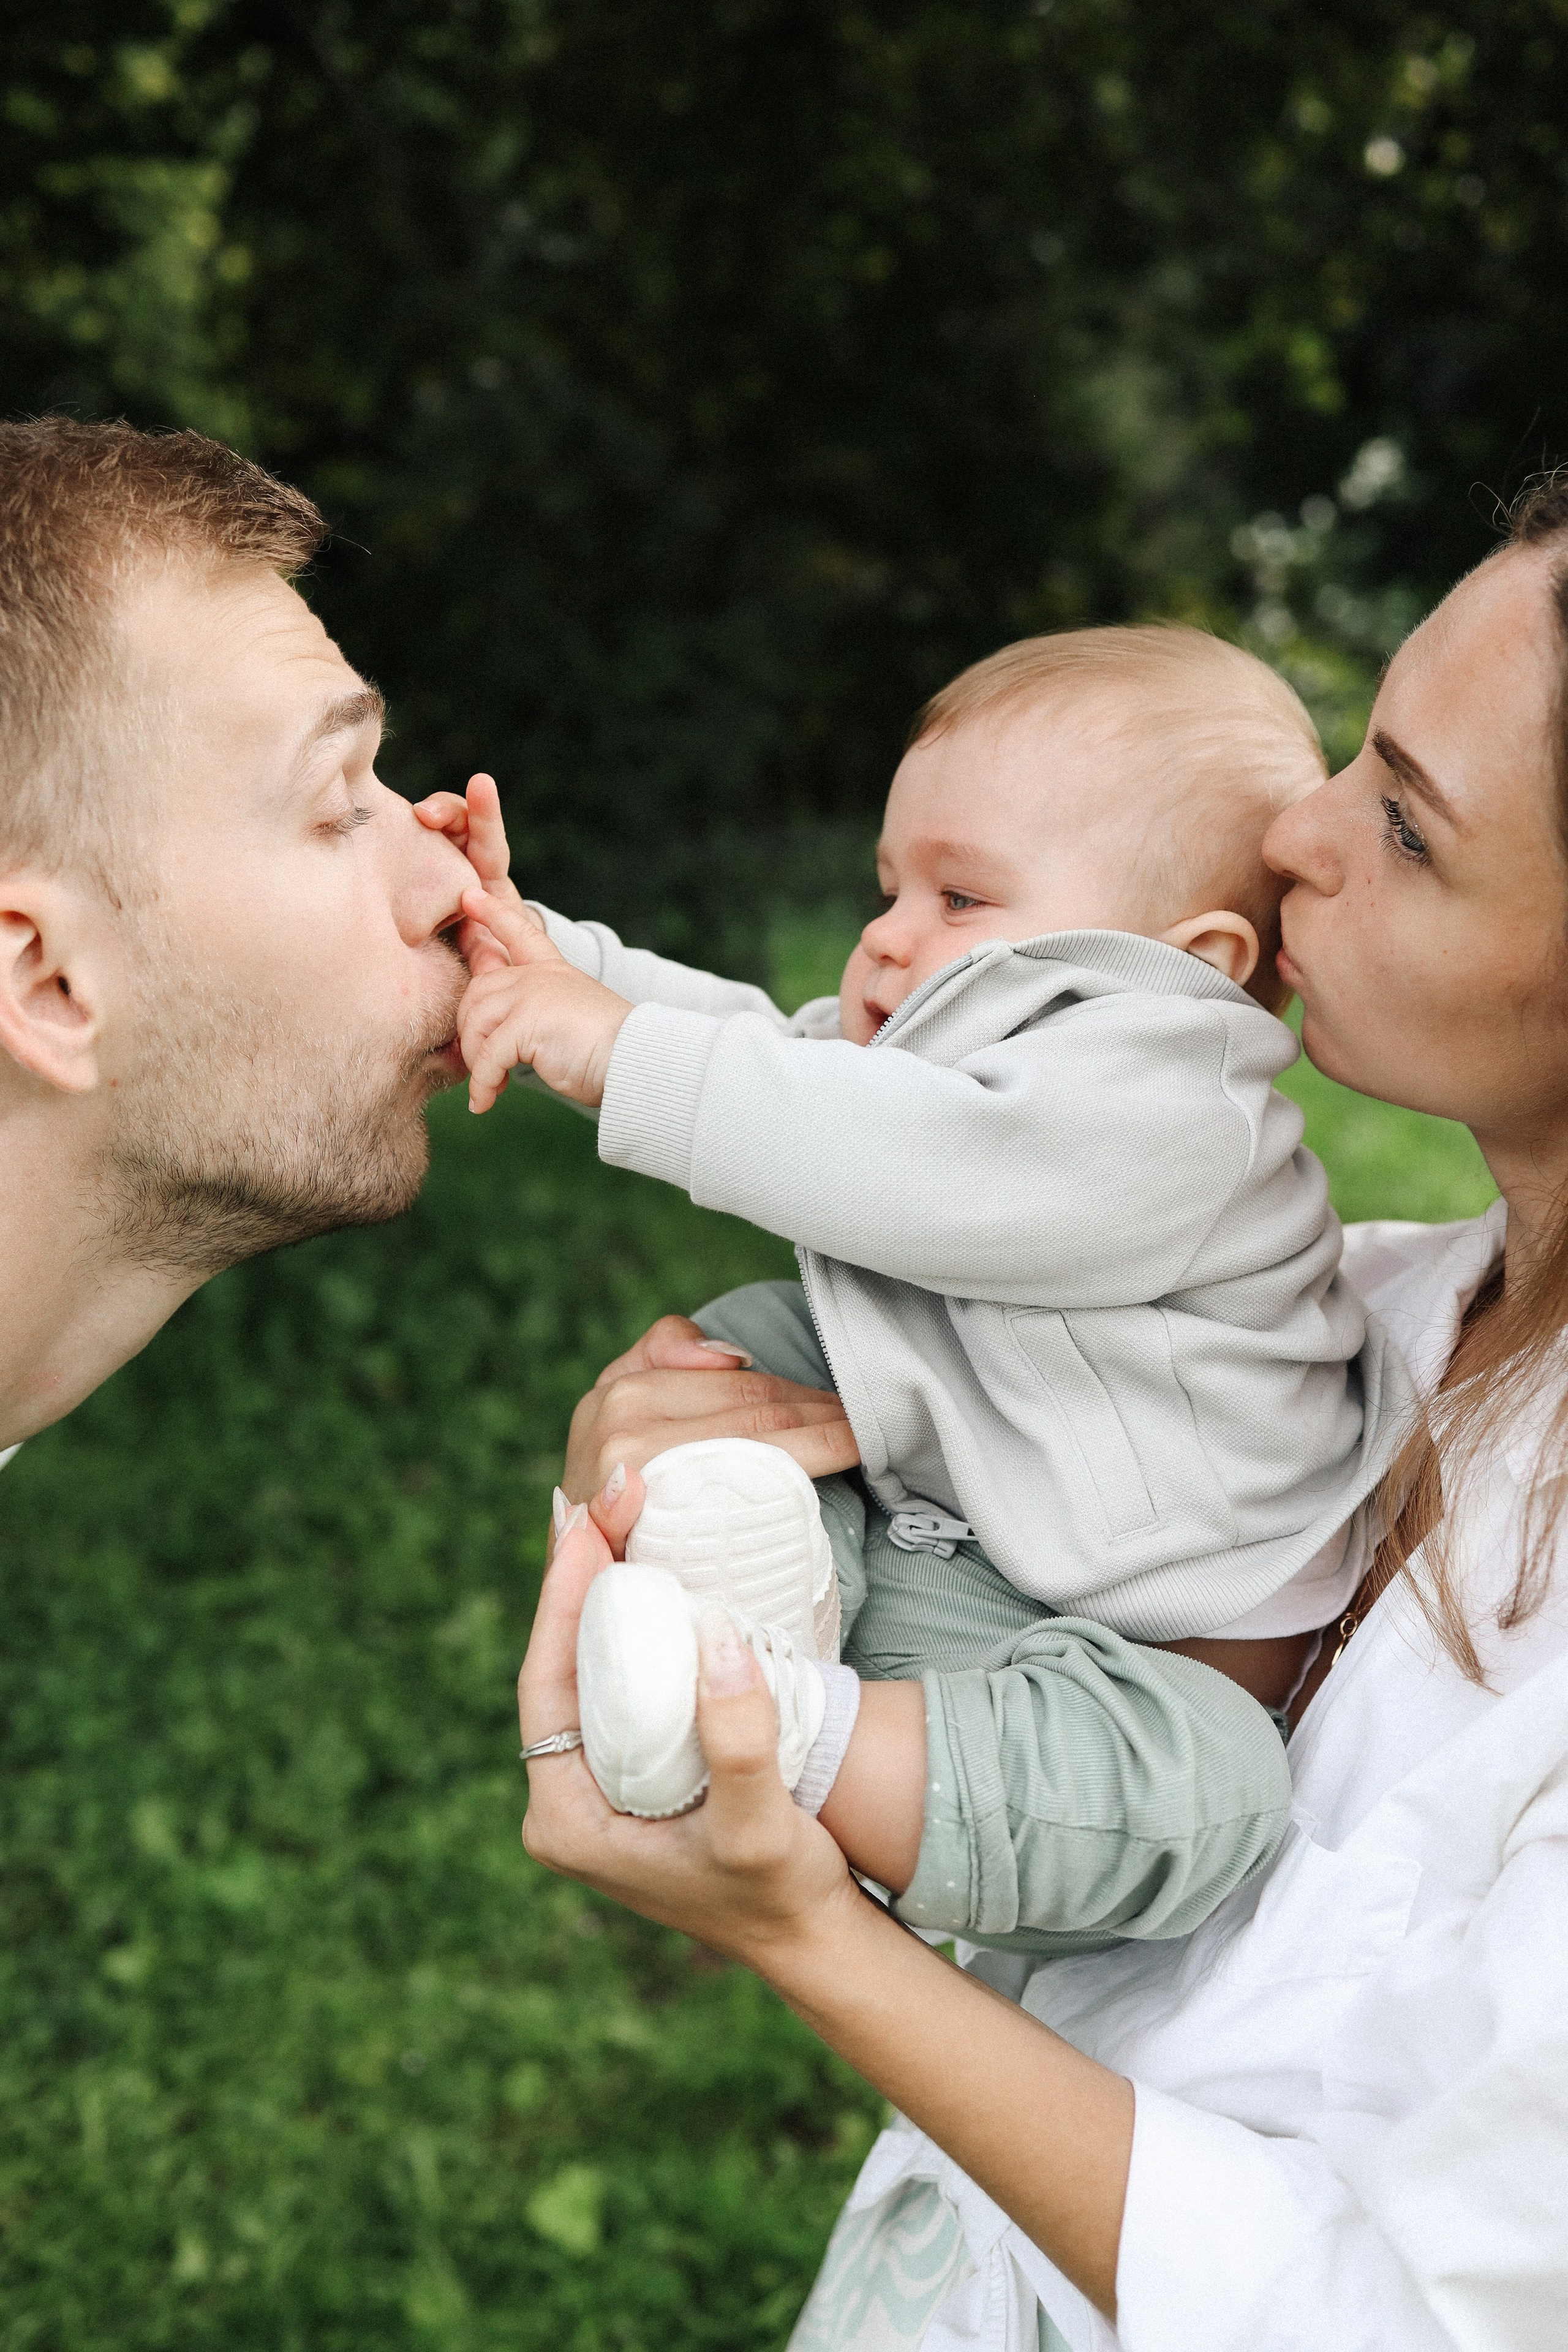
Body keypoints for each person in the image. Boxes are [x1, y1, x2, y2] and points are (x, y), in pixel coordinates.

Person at [516, 476, 1568, 2348]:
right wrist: (694, 1448)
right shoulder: (1370, 1313)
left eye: (1402, 822)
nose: (1295, 827)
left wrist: (799, 1917)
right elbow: (797, 1082)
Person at [427, 627, 1415, 1954]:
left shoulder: (1174, 1108)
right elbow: (770, 1052)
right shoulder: (962, 1061)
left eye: (960, 902)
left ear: (1197, 961)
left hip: (1129, 1647)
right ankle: (752, 1608)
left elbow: (874, 1147)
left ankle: (775, 1725)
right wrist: (543, 954)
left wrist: (616, 1056)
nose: (886, 941)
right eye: (888, 889)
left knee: (1210, 1786)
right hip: (977, 1521)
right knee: (750, 1340)